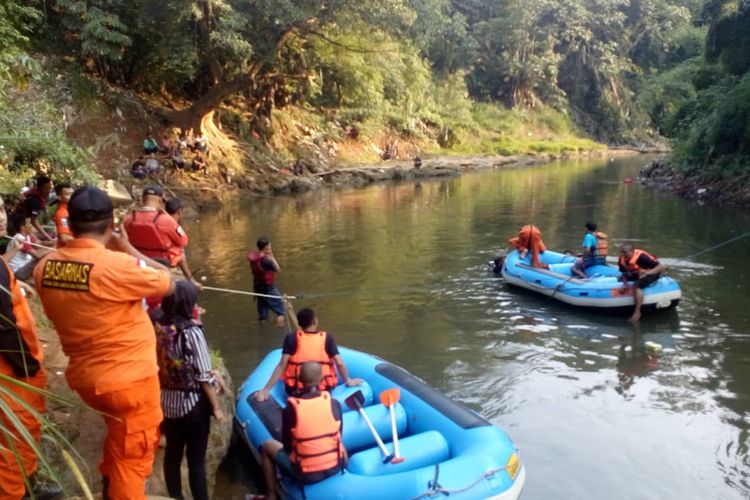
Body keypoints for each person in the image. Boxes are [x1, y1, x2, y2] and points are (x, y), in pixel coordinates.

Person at [34, 186, 175, 500]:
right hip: (128, 381)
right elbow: (165, 279)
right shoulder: (117, 266)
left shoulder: (46, 267)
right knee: (133, 458)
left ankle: (111, 489)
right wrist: (126, 247)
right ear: (112, 223)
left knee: (120, 438)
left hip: (88, 378)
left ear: (69, 221)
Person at [155, 280, 226, 500]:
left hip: (167, 401)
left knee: (172, 455)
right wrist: (216, 408)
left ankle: (176, 496)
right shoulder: (192, 332)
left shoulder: (158, 325)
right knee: (196, 462)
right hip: (192, 404)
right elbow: (204, 376)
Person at [0, 257, 62, 499]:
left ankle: (27, 484)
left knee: (23, 435)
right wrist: (26, 366)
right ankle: (16, 492)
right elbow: (3, 324)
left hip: (13, 369)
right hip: (12, 373)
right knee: (14, 442)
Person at [259, 362, 347, 500]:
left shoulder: (291, 408)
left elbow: (287, 446)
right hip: (336, 466)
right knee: (339, 443)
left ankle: (271, 495)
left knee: (266, 446)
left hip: (306, 474)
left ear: (299, 380)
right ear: (322, 379)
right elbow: (339, 436)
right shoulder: (333, 403)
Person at [255, 308, 362, 401]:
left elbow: (282, 365)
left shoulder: (291, 338)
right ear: (314, 322)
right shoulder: (327, 338)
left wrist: (266, 389)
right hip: (323, 389)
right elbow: (339, 362)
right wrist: (348, 380)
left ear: (300, 324)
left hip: (296, 390)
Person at [124, 186, 197, 285]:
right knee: (179, 249)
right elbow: (183, 241)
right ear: (160, 200)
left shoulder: (129, 219)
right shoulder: (166, 220)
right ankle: (190, 280)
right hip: (163, 264)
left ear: (142, 199)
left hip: (139, 263)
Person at [618, 243, 666, 322]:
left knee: (637, 285)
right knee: (619, 279)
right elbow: (624, 273)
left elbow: (659, 266)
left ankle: (637, 312)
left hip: (652, 272)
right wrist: (625, 284)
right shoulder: (621, 259)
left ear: (632, 251)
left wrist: (648, 273)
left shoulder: (642, 257)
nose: (623, 254)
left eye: (625, 252)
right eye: (621, 252)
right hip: (638, 273)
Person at [247, 237, 285, 326]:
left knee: (263, 316)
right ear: (265, 248)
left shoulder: (255, 259)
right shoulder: (266, 261)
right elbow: (278, 269)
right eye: (270, 247)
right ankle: (279, 332)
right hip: (269, 289)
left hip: (258, 288)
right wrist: (272, 256)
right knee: (281, 311)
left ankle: (263, 330)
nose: (271, 248)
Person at [6, 215, 52, 280]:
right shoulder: (20, 239)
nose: (31, 226)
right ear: (22, 227)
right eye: (28, 224)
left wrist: (52, 243)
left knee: (44, 254)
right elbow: (38, 256)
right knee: (43, 259)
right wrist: (54, 249)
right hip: (17, 270)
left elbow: (40, 243)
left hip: (23, 265)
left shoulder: (27, 236)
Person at [14, 175, 53, 241]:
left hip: (26, 219)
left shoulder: (38, 195)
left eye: (49, 187)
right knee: (37, 242)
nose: (48, 190)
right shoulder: (35, 200)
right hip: (18, 220)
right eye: (46, 188)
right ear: (39, 188)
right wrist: (48, 237)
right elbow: (33, 221)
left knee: (42, 236)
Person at [53, 182, 74, 248]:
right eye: (68, 194)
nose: (72, 197)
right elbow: (64, 237)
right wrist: (85, 242)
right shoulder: (62, 214)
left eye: (73, 194)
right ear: (59, 197)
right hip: (67, 251)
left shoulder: (72, 209)